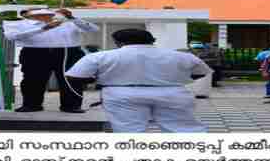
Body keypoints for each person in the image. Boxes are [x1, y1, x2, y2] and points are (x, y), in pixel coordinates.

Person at [65, 29, 212, 132]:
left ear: (118, 42)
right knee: (183, 129)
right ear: (152, 41)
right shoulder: (181, 56)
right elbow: (202, 72)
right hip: (173, 92)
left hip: (121, 94)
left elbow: (74, 77)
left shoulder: (100, 56)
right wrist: (178, 78)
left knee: (129, 132)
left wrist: (98, 79)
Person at [3, 7, 99, 113]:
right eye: (39, 14)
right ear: (28, 16)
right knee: (32, 80)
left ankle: (71, 106)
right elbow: (12, 36)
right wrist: (43, 28)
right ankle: (32, 105)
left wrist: (72, 18)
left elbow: (93, 29)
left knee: (71, 79)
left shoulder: (69, 22)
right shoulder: (20, 24)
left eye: (47, 13)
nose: (45, 16)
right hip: (35, 53)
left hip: (68, 52)